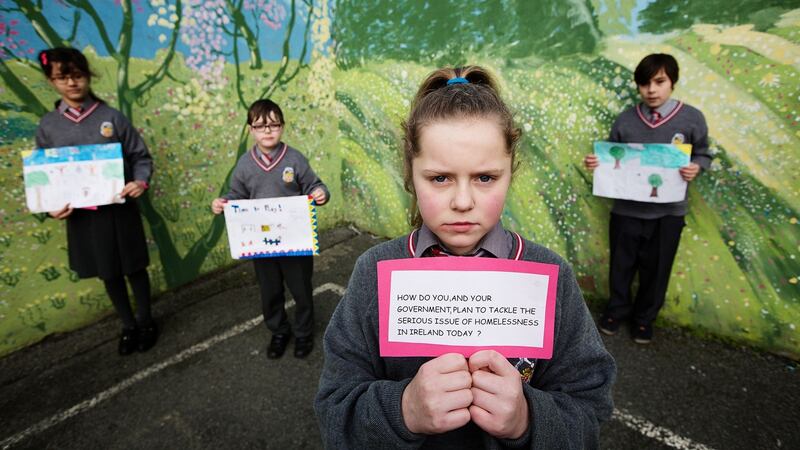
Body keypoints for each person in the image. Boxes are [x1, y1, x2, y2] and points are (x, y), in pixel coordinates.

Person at [315, 66, 615, 448]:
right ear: (411, 174)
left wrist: (528, 419)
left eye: (485, 178)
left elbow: (588, 410)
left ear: (511, 172)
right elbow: (334, 409)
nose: (461, 202)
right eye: (439, 178)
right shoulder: (374, 272)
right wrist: (403, 409)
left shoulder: (549, 275)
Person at [35, 47, 157, 355]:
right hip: (83, 216)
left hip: (119, 209)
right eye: (63, 78)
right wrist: (51, 206)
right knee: (108, 271)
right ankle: (128, 325)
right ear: (51, 81)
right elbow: (42, 174)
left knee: (134, 266)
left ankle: (146, 321)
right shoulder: (48, 126)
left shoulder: (111, 118)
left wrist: (139, 181)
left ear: (87, 77)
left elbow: (140, 156)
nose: (72, 83)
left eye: (77, 75)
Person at [583, 53, 712, 344]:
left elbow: (704, 153)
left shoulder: (691, 118)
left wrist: (697, 166)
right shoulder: (626, 120)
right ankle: (616, 311)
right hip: (626, 211)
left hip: (669, 213)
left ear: (673, 82)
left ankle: (644, 320)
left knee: (658, 269)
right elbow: (614, 157)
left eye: (659, 81)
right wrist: (598, 163)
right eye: (644, 83)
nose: (651, 90)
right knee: (621, 264)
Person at [211, 99, 329, 359]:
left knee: (301, 291)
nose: (268, 130)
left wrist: (320, 193)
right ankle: (278, 331)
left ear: (282, 127)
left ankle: (303, 333)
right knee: (270, 291)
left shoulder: (295, 159)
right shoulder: (244, 164)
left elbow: (314, 185)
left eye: (274, 124)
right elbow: (237, 195)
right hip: (262, 245)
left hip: (296, 242)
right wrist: (225, 203)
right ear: (251, 130)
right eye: (261, 126)